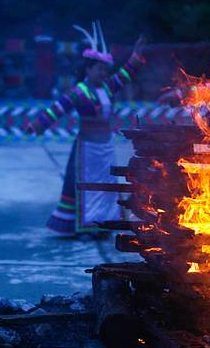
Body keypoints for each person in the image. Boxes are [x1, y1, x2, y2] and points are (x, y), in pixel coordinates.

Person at [27, 21, 145, 237]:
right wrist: (37, 125)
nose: (103, 73)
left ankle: (104, 224)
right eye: (99, 69)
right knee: (86, 187)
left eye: (105, 69)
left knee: (107, 186)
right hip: (87, 149)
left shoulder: (108, 86)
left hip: (105, 148)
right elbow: (57, 109)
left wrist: (136, 55)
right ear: (88, 69)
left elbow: (126, 74)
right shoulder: (79, 92)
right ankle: (88, 225)